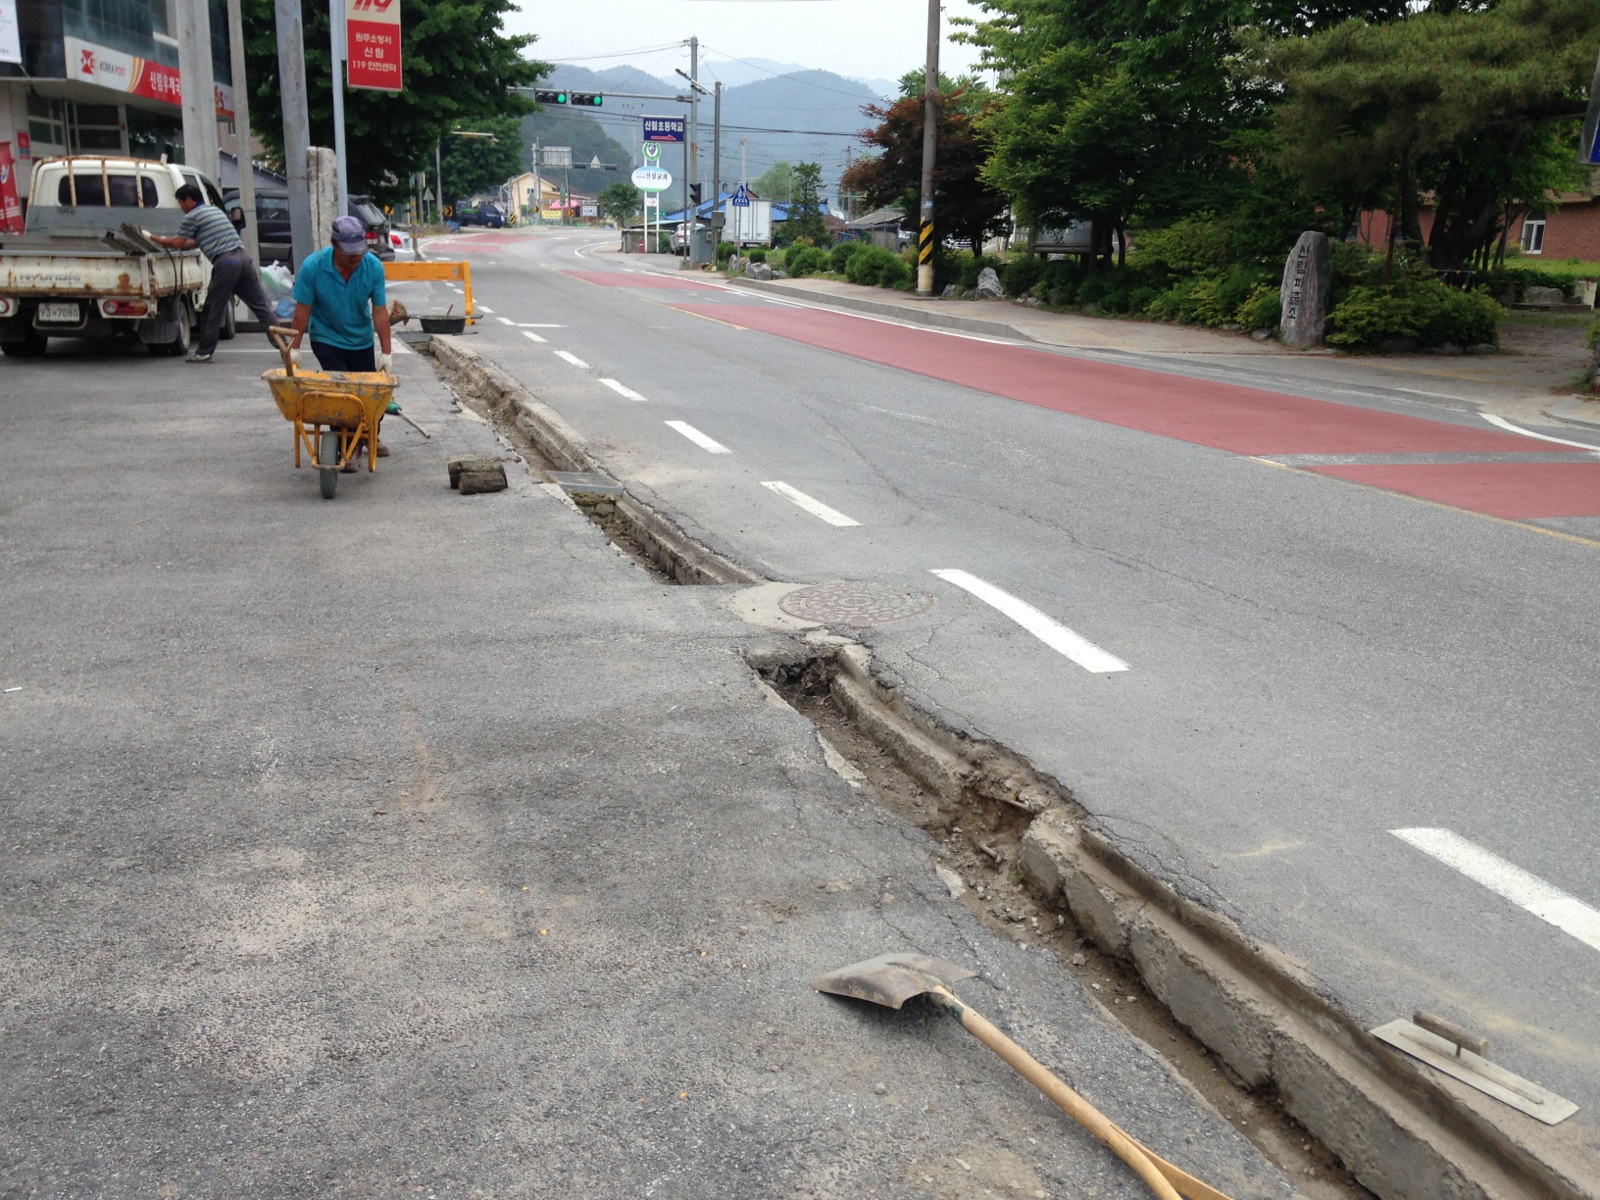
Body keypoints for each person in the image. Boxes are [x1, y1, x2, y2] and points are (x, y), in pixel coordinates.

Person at [149, 183, 278, 364]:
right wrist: (171, 243)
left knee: (212, 309)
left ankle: (204, 351)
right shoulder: (214, 211)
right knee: (261, 307)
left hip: (227, 263)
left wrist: (158, 240)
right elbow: (194, 243)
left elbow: (177, 243)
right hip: (243, 259)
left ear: (189, 200)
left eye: (181, 203)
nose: (181, 208)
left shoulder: (193, 216)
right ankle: (284, 345)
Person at [287, 215, 393, 375]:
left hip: (361, 340)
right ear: (334, 244)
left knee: (364, 385)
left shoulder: (373, 267)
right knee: (340, 382)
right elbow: (302, 311)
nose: (355, 257)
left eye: (359, 251)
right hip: (326, 337)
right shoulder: (313, 267)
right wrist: (294, 348)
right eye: (349, 253)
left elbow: (379, 312)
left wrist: (386, 352)